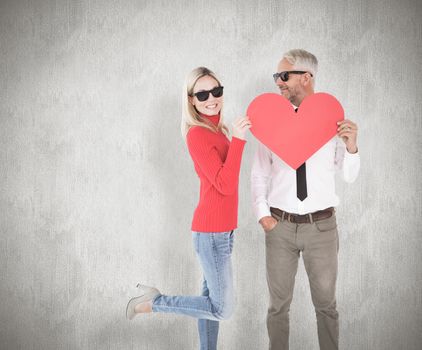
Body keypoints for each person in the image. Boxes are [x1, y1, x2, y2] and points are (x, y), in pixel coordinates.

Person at [126, 66, 251, 350]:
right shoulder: (197, 135)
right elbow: (225, 184)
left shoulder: (217, 131)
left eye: (216, 91)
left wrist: (233, 136)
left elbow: (224, 178)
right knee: (223, 309)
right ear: (191, 100)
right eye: (202, 94)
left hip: (222, 230)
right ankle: (154, 303)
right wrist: (240, 140)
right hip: (211, 233)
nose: (211, 98)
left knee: (209, 304)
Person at [251, 49, 360, 350]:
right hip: (280, 226)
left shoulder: (331, 119)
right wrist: (263, 214)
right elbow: (260, 173)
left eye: (283, 76)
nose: (278, 83)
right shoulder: (270, 123)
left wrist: (351, 147)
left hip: (321, 228)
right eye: (277, 77)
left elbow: (348, 175)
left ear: (306, 77)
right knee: (277, 307)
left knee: (326, 305)